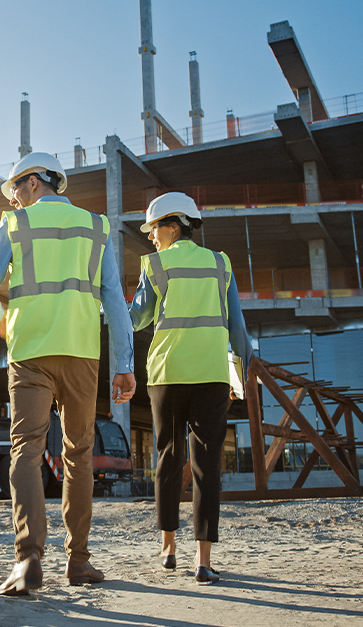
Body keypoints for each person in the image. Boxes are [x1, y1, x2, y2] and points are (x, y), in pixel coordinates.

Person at [0, 152, 137, 596]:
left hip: (29, 353)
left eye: (15, 192)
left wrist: (3, 322)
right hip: (82, 354)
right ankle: (78, 561)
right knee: (79, 454)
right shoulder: (96, 227)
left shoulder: (15, 226)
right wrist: (124, 364)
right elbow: (115, 302)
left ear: (30, 183)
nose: (15, 202)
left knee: (25, 452)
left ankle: (28, 559)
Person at [129, 192, 253, 584]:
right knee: (207, 466)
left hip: (167, 373)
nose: (150, 237)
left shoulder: (155, 265)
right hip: (212, 374)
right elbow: (238, 328)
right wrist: (238, 376)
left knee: (167, 456)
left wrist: (105, 301)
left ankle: (168, 548)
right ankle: (203, 561)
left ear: (173, 225)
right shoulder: (220, 263)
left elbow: (136, 320)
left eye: (153, 229)